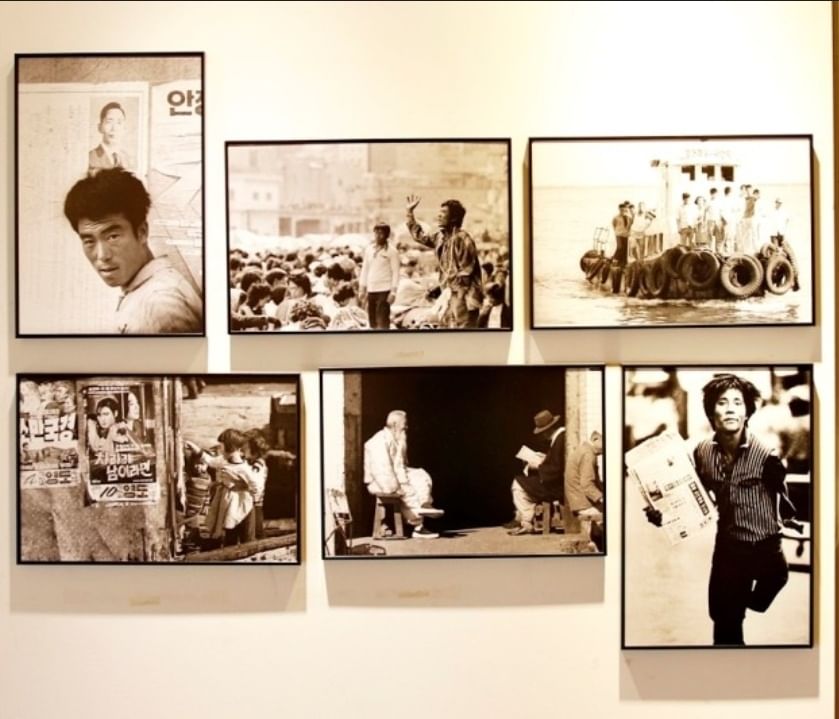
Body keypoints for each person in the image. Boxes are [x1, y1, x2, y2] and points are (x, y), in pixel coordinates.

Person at [644, 374, 800, 646]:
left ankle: (759, 592)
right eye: (722, 402)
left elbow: (784, 499)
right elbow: (695, 498)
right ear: (710, 411)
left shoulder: (767, 456)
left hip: (766, 548)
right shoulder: (703, 452)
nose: (730, 408)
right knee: (724, 618)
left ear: (747, 412)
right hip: (728, 547)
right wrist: (662, 513)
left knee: (770, 586)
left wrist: (792, 521)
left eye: (737, 403)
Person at [63, 167, 203, 334]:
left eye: (112, 237)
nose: (102, 255)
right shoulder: (144, 290)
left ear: (142, 232)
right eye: (88, 241)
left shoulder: (161, 303)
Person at [405, 194, 483, 328]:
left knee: (462, 336)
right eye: (439, 212)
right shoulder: (440, 237)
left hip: (464, 297)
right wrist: (409, 213)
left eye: (443, 213)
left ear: (454, 218)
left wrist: (452, 297)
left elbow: (465, 275)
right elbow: (420, 236)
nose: (439, 215)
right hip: (448, 295)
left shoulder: (463, 239)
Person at [363, 410, 442, 538]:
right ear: (394, 424)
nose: (406, 427)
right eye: (404, 424)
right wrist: (396, 487)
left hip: (393, 476)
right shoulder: (378, 441)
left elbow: (400, 466)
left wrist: (409, 477)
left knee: (420, 476)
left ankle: (424, 505)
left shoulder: (398, 439)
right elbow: (382, 469)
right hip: (379, 482)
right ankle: (418, 522)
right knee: (405, 487)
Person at [508, 409, 566, 535]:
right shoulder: (560, 438)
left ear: (548, 430)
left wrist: (537, 466)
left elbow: (557, 469)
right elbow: (556, 462)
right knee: (521, 481)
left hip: (556, 487)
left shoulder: (560, 439)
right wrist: (545, 458)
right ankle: (524, 518)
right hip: (556, 482)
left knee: (517, 484)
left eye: (543, 432)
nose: (542, 436)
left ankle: (526, 521)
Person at [564, 430, 604, 551]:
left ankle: (596, 542)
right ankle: (599, 546)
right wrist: (604, 499)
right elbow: (587, 485)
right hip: (583, 504)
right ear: (595, 439)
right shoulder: (588, 454)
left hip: (578, 501)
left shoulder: (583, 450)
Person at [358, 222, 400, 329]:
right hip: (371, 289)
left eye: (381, 233)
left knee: (382, 321)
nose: (378, 236)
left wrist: (393, 292)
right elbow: (365, 269)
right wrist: (362, 289)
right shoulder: (369, 249)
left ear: (386, 235)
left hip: (384, 290)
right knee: (372, 321)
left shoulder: (392, 251)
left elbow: (396, 272)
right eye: (376, 233)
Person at [88, 102, 132, 174]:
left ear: (124, 129)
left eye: (119, 122)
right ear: (100, 127)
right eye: (109, 122)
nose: (114, 128)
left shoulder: (127, 158)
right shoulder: (90, 158)